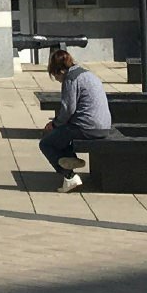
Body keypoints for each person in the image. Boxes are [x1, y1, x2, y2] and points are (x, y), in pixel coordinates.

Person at [40, 47, 112, 192]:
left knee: (46, 143)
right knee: (61, 134)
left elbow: (68, 109)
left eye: (56, 77)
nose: (58, 81)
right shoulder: (87, 74)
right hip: (103, 126)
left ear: (60, 71)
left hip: (87, 126)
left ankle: (69, 176)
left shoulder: (71, 79)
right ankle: (70, 159)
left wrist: (53, 124)